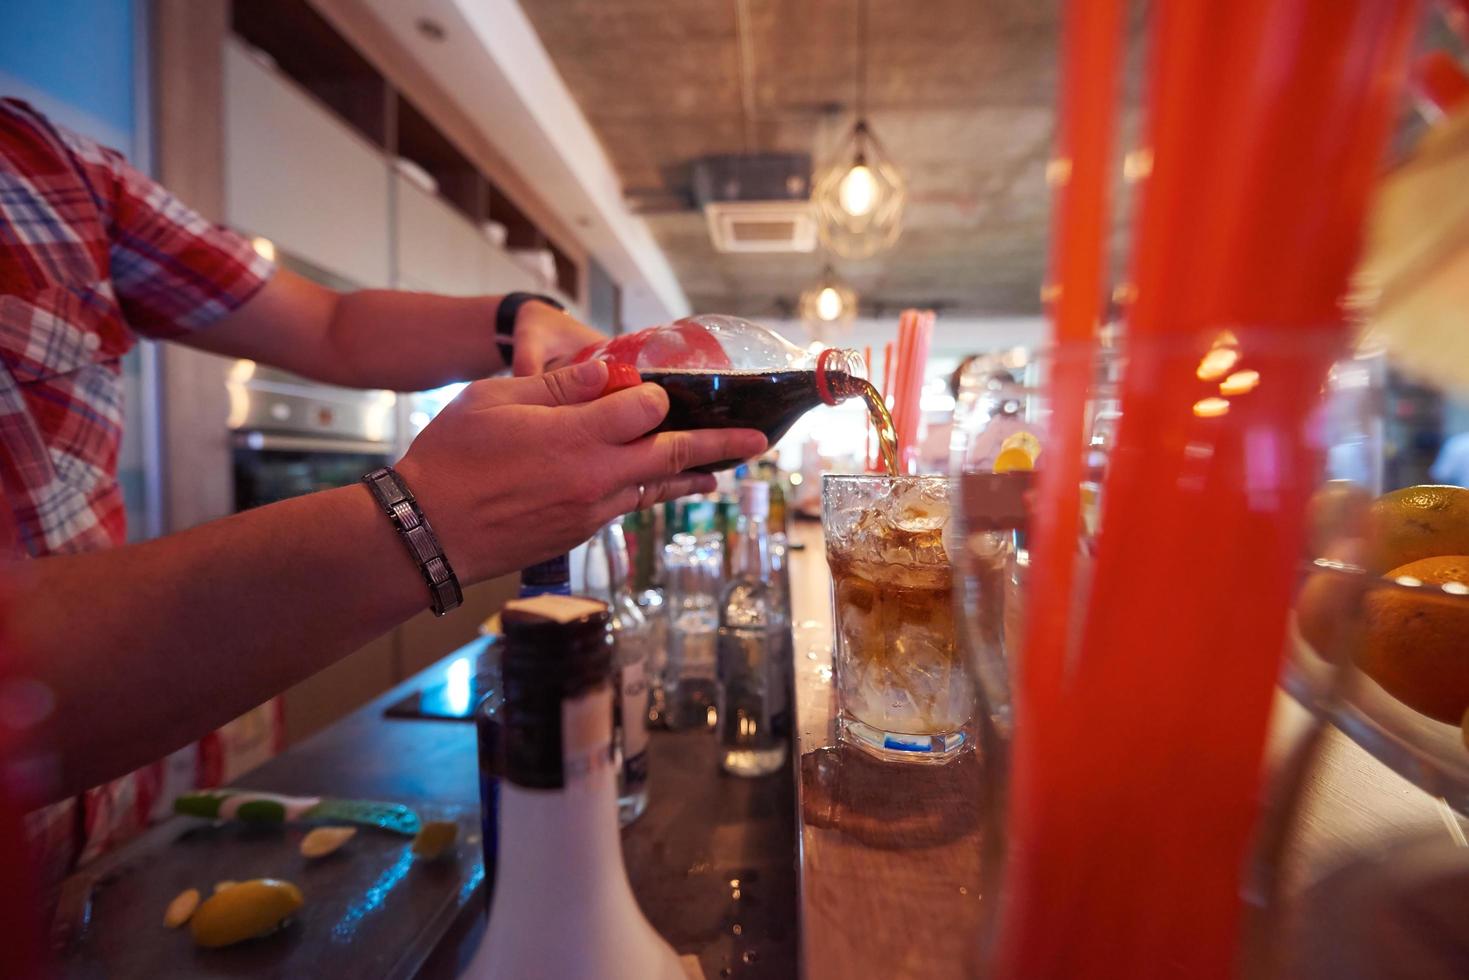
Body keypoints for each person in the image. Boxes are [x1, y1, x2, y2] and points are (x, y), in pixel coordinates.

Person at [0, 98, 767, 885]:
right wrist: (428, 521)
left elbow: (331, 322)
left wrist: (517, 319)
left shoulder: (53, 168)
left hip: (135, 815)